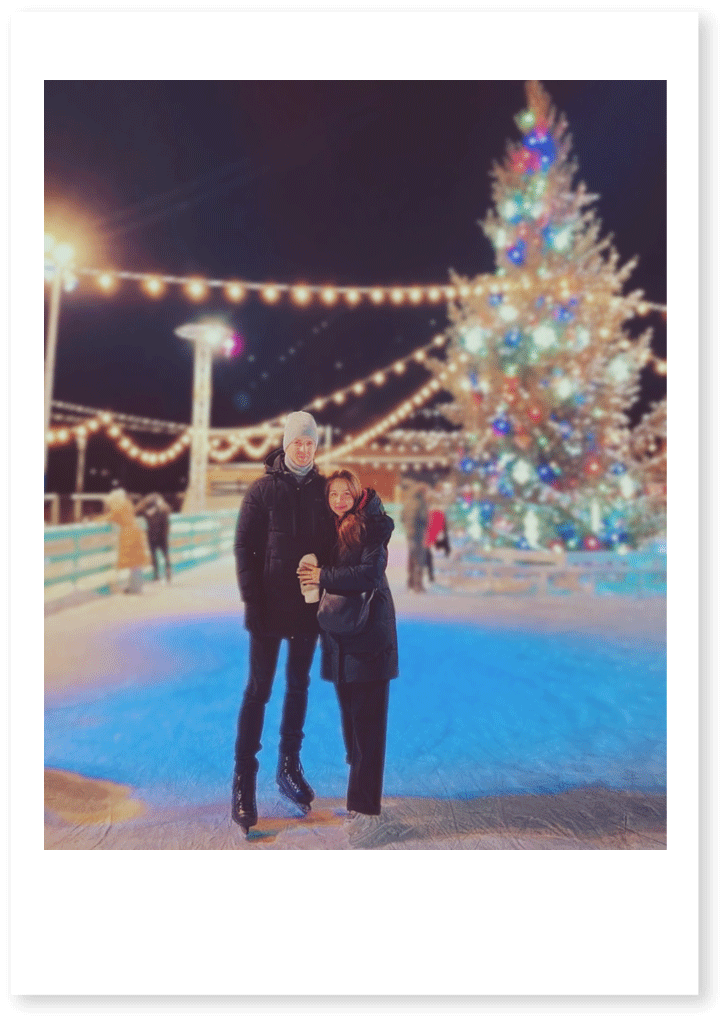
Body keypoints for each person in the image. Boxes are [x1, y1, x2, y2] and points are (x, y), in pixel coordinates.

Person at [231, 411, 333, 835]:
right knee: (259, 690)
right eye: (297, 442)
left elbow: (336, 543)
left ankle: (289, 765)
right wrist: (253, 601)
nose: (304, 449)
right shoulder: (263, 490)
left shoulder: (325, 490)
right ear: (286, 444)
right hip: (270, 608)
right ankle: (244, 779)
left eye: (310, 443)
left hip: (307, 608)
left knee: (298, 685)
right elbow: (245, 548)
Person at [297, 469, 398, 838]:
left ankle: (366, 807)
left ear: (356, 494)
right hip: (341, 637)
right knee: (353, 726)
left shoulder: (373, 527)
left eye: (345, 493)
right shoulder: (333, 528)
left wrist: (322, 576)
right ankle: (361, 794)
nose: (338, 500)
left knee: (368, 726)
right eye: (332, 494)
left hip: (369, 637)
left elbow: (369, 574)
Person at [99, 488, 151, 594]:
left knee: (134, 564)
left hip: (129, 536)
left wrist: (95, 519)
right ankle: (135, 587)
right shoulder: (127, 504)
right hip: (136, 533)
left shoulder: (119, 507)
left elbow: (110, 517)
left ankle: (135, 589)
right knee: (136, 563)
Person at [135, 492, 172, 582]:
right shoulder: (162, 511)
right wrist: (165, 534)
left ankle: (157, 574)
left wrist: (142, 503)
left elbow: (136, 512)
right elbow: (166, 525)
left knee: (155, 556)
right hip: (160, 537)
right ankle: (166, 571)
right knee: (164, 555)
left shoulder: (146, 512)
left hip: (153, 536)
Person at [401, 483, 428, 592]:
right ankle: (417, 584)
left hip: (411, 535)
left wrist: (409, 529)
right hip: (417, 535)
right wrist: (415, 529)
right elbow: (421, 517)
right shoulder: (419, 503)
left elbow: (402, 517)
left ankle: (411, 582)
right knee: (419, 559)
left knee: (412, 557)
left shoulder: (408, 502)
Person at [424, 500, 449, 583]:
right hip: (435, 540)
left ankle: (432, 576)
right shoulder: (438, 513)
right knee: (433, 559)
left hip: (432, 540)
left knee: (431, 559)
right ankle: (432, 576)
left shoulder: (431, 513)